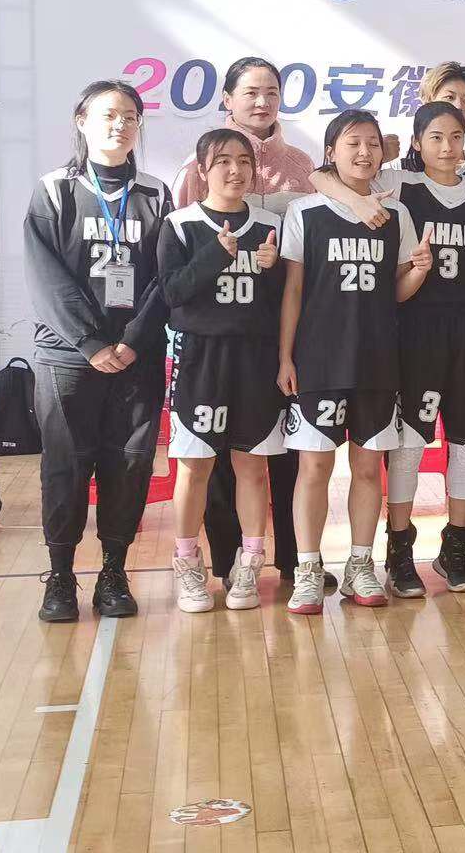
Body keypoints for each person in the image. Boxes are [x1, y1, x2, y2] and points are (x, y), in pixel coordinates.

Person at [316, 102, 465, 594]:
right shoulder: (399, 186)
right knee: (409, 444)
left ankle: (458, 542)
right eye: (435, 136)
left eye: (456, 136)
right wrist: (358, 203)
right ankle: (399, 546)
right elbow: (322, 177)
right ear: (416, 143)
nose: (448, 146)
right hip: (415, 327)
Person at [24, 80, 172, 622]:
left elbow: (165, 277)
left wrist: (132, 341)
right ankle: (60, 575)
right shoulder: (55, 190)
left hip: (136, 357)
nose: (120, 125)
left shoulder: (155, 194)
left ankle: (114, 571)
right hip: (69, 357)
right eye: (109, 114)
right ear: (82, 120)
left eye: (130, 116)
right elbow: (46, 277)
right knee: (66, 466)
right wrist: (90, 343)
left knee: (129, 464)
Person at [170, 57, 320, 589]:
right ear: (227, 99)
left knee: (278, 456)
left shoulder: (302, 166)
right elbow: (180, 270)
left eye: (271, 92)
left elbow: (303, 260)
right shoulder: (194, 169)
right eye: (251, 92)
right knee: (210, 463)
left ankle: (290, 562)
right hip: (210, 348)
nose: (262, 102)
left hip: (272, 341)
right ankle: (223, 562)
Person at [278, 111, 423, 614]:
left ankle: (361, 564)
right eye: (352, 143)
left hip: (376, 359)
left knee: (367, 468)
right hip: (318, 359)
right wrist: (285, 356)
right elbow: (293, 289)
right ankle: (307, 568)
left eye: (372, 144)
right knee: (314, 467)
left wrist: (419, 271)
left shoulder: (395, 214)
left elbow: (398, 291)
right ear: (331, 152)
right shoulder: (305, 212)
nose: (364, 153)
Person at [160, 129, 284, 612]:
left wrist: (272, 271)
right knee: (195, 466)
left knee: (252, 465)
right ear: (202, 169)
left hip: (255, 359)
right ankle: (187, 563)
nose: (236, 170)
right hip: (201, 358)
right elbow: (172, 292)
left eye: (244, 160)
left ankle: (249, 565)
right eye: (223, 161)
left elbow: (284, 302)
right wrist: (216, 254)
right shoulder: (180, 225)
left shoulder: (270, 224)